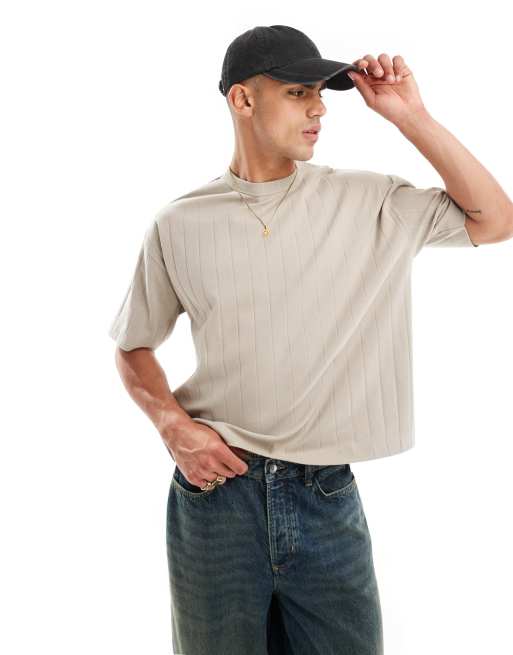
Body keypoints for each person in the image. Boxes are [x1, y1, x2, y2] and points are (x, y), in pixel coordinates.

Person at [108, 24, 513, 655]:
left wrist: (411, 117)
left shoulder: (370, 201)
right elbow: (133, 345)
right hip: (216, 497)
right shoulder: (179, 223)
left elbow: (495, 220)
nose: (319, 109)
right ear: (243, 100)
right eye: (299, 92)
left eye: (321, 93)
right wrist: (171, 426)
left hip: (325, 495)